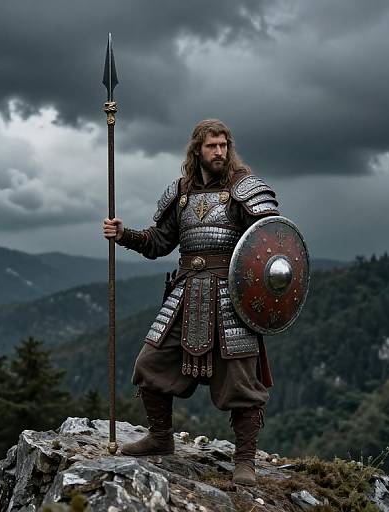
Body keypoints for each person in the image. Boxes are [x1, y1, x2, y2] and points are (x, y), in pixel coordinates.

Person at [103, 119, 280, 486]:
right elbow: (158, 242)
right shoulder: (180, 193)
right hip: (185, 293)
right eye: (212, 146)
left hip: (231, 299)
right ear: (197, 150)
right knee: (150, 364)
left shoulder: (244, 189)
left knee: (242, 383)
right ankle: (160, 437)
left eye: (224, 146)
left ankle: (244, 460)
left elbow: (271, 242)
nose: (219, 152)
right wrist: (124, 235)